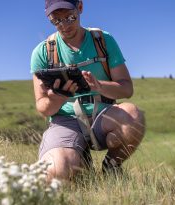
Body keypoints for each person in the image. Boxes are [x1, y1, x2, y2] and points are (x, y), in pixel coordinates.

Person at [30, 0, 145, 181]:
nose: (64, 26)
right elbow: (43, 107)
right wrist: (59, 96)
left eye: (70, 17)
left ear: (80, 7)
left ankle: (111, 167)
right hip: (65, 121)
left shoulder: (103, 40)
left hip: (103, 114)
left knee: (133, 116)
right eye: (56, 21)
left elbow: (126, 89)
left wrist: (99, 86)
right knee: (56, 172)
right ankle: (80, 161)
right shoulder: (42, 52)